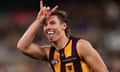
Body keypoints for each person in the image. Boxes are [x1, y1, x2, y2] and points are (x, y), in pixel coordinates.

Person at [17, 0, 109, 72]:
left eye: (52, 23)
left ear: (63, 26)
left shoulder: (80, 46)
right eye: (45, 24)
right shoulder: (49, 53)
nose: (48, 27)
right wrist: (39, 21)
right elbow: (22, 47)